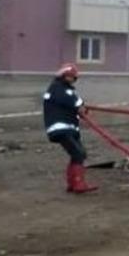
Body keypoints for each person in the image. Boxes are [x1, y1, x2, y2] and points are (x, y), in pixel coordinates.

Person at [43, 63, 97, 194]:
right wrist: (82, 108)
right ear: (62, 76)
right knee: (78, 153)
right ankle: (78, 184)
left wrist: (82, 109)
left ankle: (73, 183)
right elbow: (75, 102)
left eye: (73, 77)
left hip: (67, 128)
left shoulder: (59, 89)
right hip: (62, 128)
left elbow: (75, 104)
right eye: (69, 77)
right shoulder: (59, 89)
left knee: (79, 153)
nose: (71, 79)